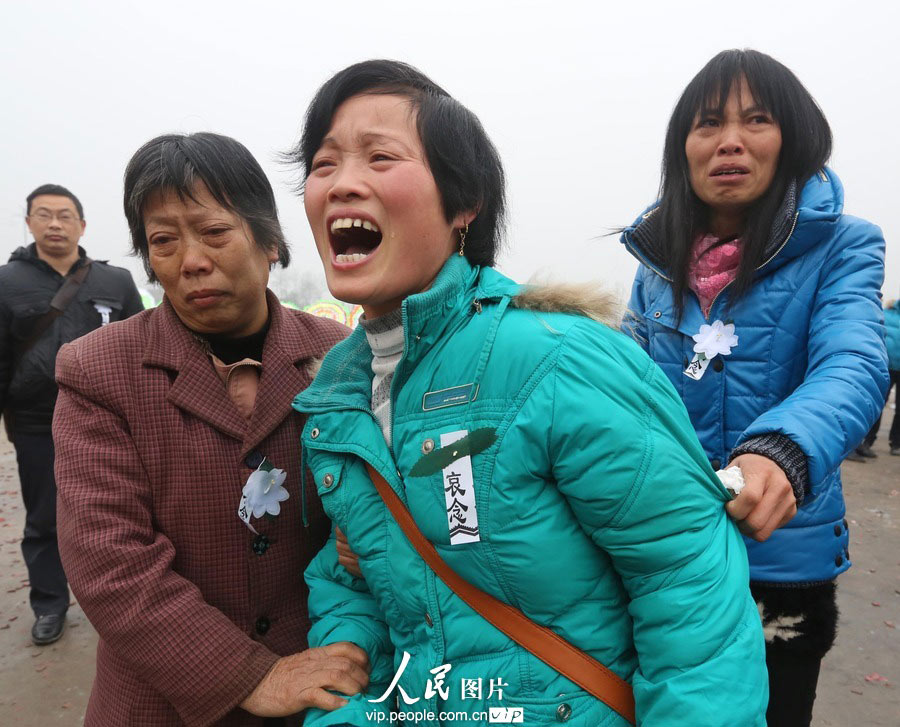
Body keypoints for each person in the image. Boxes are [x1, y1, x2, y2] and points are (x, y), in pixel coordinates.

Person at [289, 59, 767, 727]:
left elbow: (687, 581)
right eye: (323, 163)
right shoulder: (334, 397)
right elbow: (353, 580)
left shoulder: (555, 358)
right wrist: (341, 699)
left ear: (463, 204)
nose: (342, 184)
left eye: (379, 157)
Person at [53, 133, 369, 726]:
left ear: (269, 239)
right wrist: (250, 674)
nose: (191, 260)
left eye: (214, 231)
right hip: (161, 700)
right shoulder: (98, 370)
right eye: (163, 241)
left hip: (324, 682)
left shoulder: (341, 358)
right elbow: (110, 560)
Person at [621, 49, 889, 727]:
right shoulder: (655, 261)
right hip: (669, 552)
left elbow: (853, 362)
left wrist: (781, 449)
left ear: (794, 138)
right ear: (683, 147)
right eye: (708, 123)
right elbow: (624, 381)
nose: (730, 140)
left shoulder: (845, 245)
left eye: (757, 119)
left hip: (783, 560)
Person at [0, 184, 143, 645]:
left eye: (65, 215)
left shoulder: (114, 281)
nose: (55, 224)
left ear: (83, 225)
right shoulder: (7, 282)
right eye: (44, 215)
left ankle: (126, 602)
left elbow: (142, 346)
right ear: (28, 223)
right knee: (44, 517)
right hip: (37, 421)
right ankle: (50, 604)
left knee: (124, 511)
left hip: (109, 419)